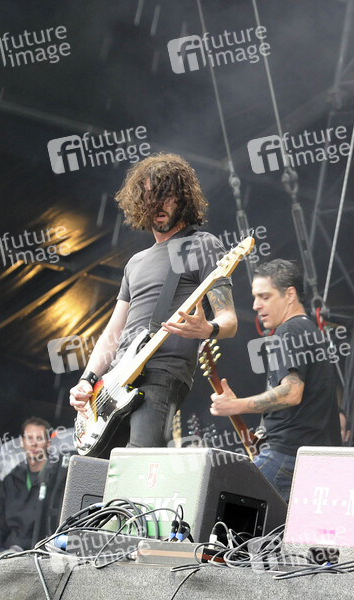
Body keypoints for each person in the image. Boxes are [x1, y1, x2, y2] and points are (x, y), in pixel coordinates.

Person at [68, 154, 237, 449]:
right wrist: (87, 379)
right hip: (113, 384)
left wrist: (207, 329)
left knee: (139, 463)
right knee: (94, 470)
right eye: (150, 196)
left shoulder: (202, 245)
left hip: (162, 374)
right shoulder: (135, 262)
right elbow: (113, 332)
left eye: (166, 196)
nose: (158, 204)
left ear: (183, 198)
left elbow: (229, 320)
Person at [209, 259, 341, 499]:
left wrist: (236, 405)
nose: (255, 305)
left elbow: (292, 392)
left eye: (265, 297)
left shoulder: (290, 330)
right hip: (307, 460)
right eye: (255, 297)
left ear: (289, 295)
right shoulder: (309, 331)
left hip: (285, 455)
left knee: (228, 510)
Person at [0, 418, 66, 553]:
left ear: (48, 443)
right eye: (29, 438)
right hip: (7, 551)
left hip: (40, 552)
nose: (34, 443)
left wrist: (19, 548)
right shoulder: (11, 479)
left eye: (39, 438)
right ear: (22, 442)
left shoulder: (59, 478)